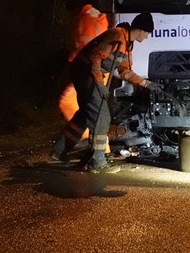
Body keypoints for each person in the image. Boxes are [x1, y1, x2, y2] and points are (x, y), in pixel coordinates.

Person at [51, 12, 163, 173]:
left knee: (86, 114)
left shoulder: (127, 43)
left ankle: (59, 152)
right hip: (84, 72)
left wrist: (147, 84)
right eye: (146, 34)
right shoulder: (116, 36)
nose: (146, 38)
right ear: (140, 30)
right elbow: (94, 57)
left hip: (88, 73)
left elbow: (124, 71)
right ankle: (97, 161)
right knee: (101, 117)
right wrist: (99, 83)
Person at [58, 0, 109, 136]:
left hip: (89, 70)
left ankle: (88, 138)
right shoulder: (97, 15)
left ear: (74, 9)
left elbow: (84, 47)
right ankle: (89, 139)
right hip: (99, 69)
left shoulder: (83, 20)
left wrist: (72, 58)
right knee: (91, 107)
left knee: (67, 101)